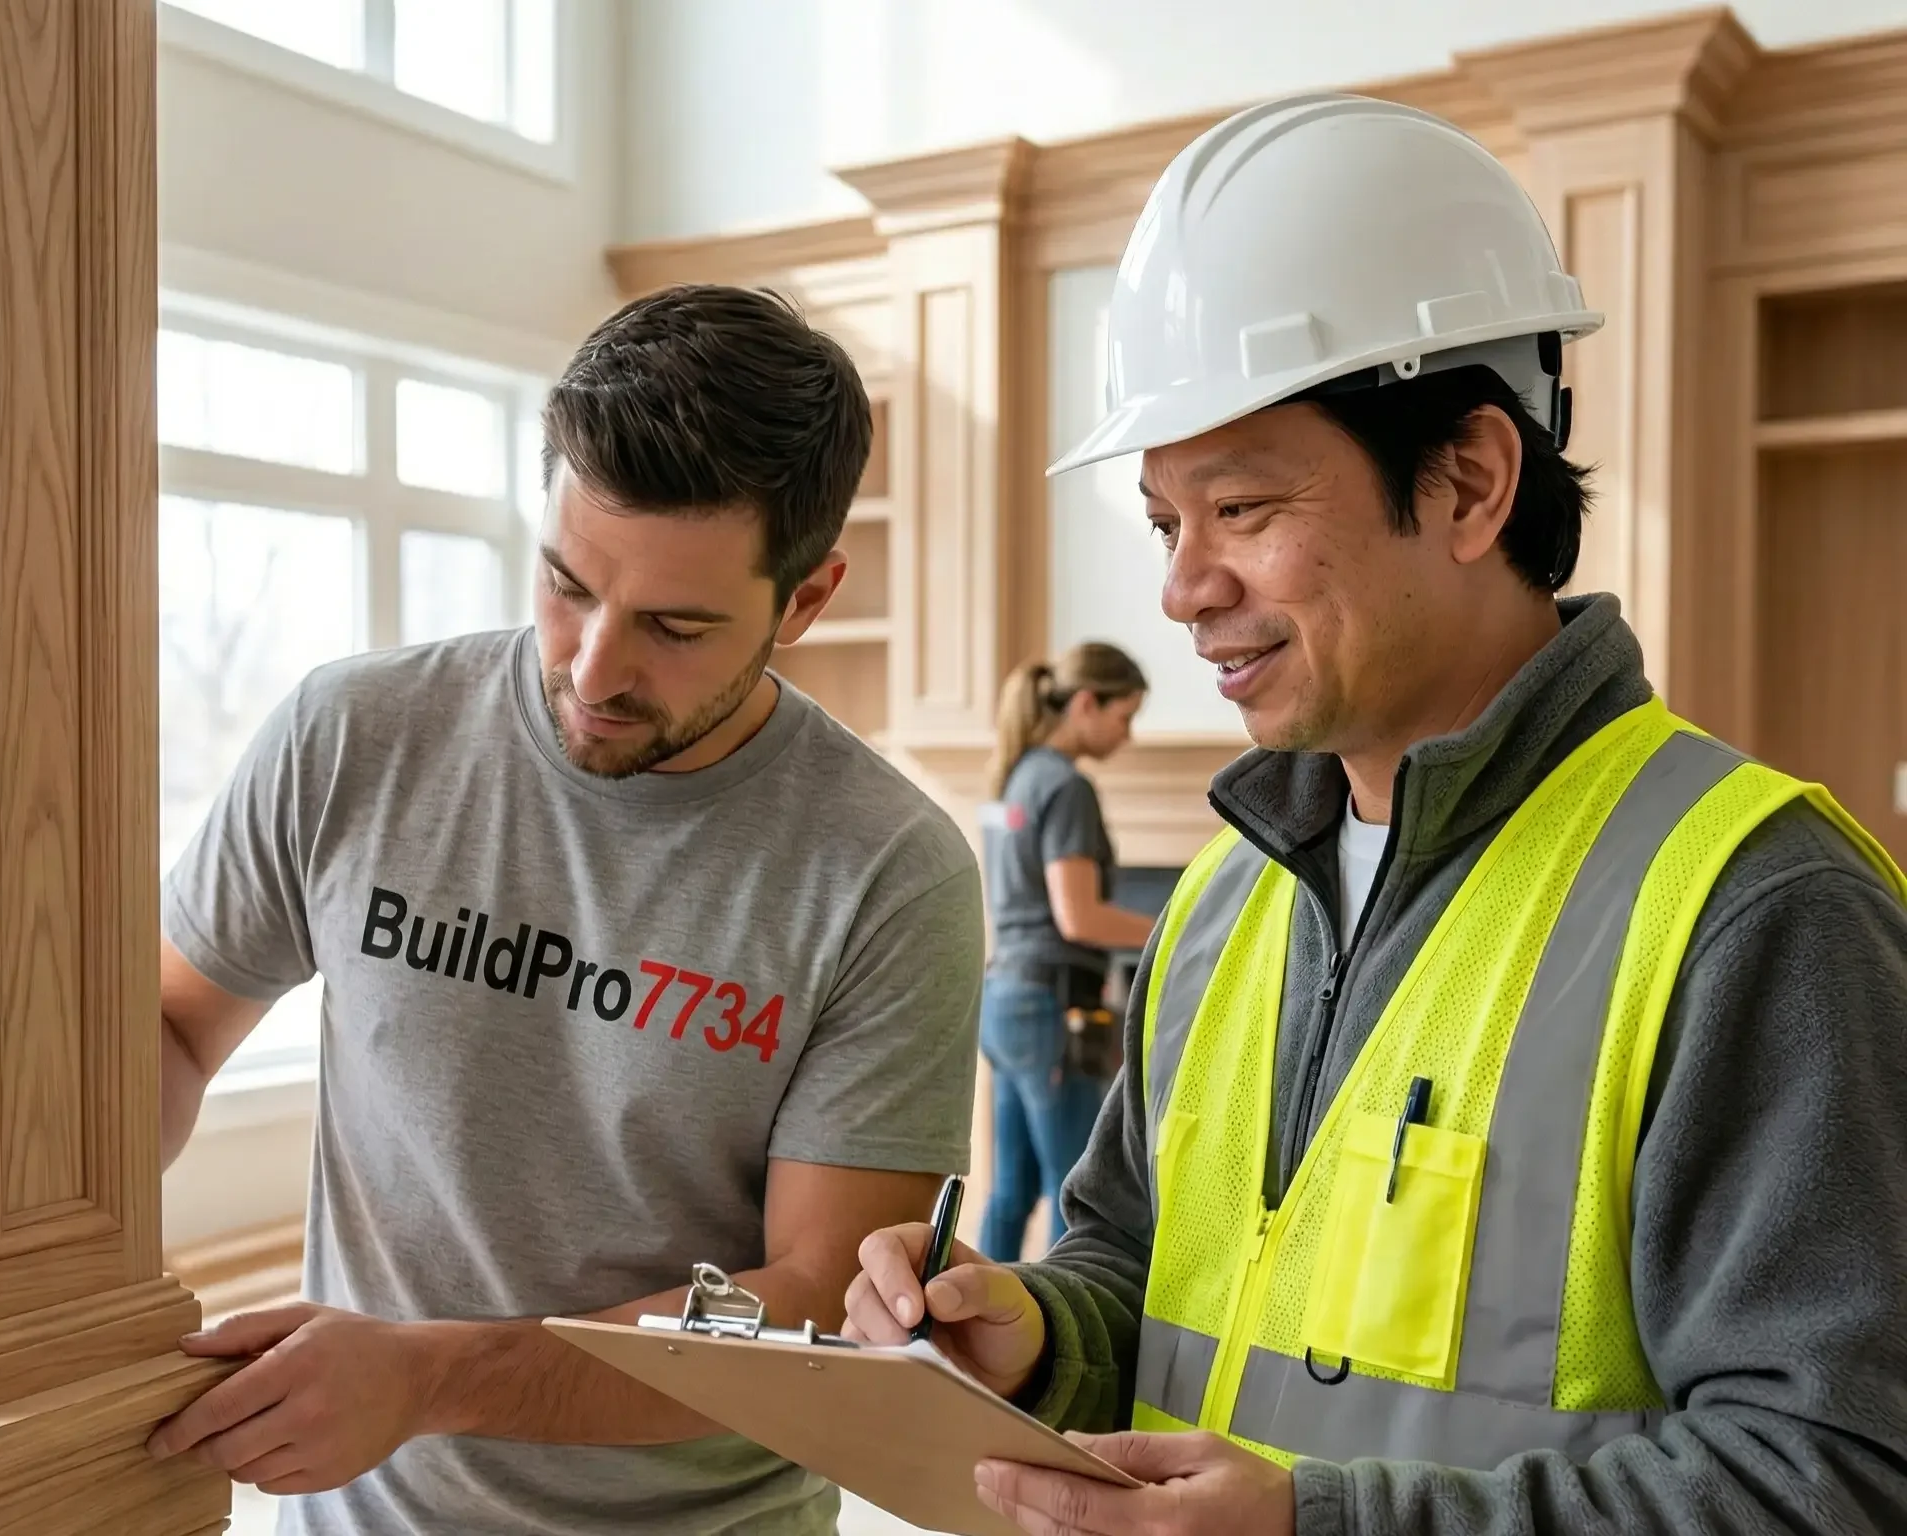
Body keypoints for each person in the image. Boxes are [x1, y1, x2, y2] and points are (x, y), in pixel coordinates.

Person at [843, 93, 1907, 1536]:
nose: (1182, 590)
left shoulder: (1752, 906)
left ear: (1469, 479)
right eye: (1166, 522)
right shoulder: (1226, 898)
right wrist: (1033, 1333)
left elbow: (1833, 1483)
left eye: (1243, 509)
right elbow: (1139, 1268)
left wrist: (1320, 1525)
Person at [148, 284, 984, 1536]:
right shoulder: (351, 737)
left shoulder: (886, 872)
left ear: (804, 600)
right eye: (565, 585)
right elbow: (166, 1032)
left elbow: (814, 1306)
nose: (593, 670)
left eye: (676, 627)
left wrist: (426, 1376)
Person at [977, 644, 1155, 1261]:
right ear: (1086, 703)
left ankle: (950, 1335)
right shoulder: (1066, 786)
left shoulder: (1016, 776)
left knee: (1009, 1192)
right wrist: (1174, 929)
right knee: (1074, 1194)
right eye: (1123, 716)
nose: (1126, 735)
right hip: (1051, 1005)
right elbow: (1079, 916)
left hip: (1004, 999)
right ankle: (1055, 1346)